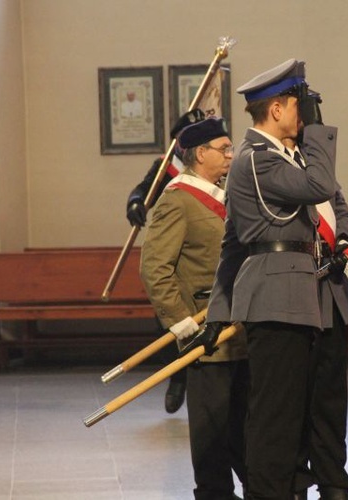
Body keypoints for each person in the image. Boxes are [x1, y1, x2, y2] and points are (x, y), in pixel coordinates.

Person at [204, 58, 343, 500]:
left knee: (288, 418)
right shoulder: (257, 160)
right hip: (278, 298)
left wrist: (218, 311)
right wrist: (319, 130)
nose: (307, 116)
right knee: (274, 423)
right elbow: (321, 185)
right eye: (302, 106)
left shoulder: (276, 157)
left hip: (291, 298)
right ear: (278, 109)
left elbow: (231, 245)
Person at [140, 116, 249, 500]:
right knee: (212, 428)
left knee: (243, 423)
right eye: (224, 149)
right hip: (206, 335)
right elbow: (155, 268)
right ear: (200, 154)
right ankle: (215, 493)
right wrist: (183, 325)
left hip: (240, 330)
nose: (231, 156)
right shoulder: (177, 200)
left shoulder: (228, 194)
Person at [284, 135, 348, 500]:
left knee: (330, 396)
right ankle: (297, 479)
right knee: (294, 395)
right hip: (295, 297)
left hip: (331, 296)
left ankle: (332, 477)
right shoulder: (274, 166)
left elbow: (340, 210)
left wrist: (344, 240)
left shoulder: (321, 172)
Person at [126, 108, 206, 414]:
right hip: (174, 254)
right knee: (171, 318)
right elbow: (142, 190)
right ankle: (177, 376)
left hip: (204, 252)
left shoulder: (217, 168)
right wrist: (135, 203)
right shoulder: (165, 168)